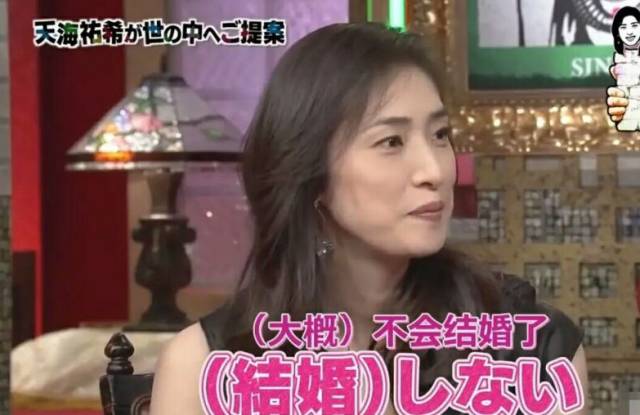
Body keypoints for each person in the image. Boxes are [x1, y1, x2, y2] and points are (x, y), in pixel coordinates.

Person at [150, 23, 588, 415]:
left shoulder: (531, 349)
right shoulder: (204, 367)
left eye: (440, 135)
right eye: (391, 141)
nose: (435, 171)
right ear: (312, 176)